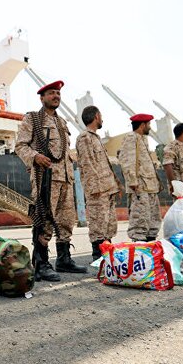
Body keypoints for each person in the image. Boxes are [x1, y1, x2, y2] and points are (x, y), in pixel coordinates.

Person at [15, 80, 87, 282]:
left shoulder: (62, 123)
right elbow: (20, 146)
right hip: (46, 178)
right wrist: (35, 157)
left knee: (66, 220)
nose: (56, 96)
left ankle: (64, 259)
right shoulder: (33, 119)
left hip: (65, 178)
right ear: (42, 97)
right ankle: (40, 263)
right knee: (44, 218)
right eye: (52, 93)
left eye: (58, 93)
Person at [75, 105, 122, 260]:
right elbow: (87, 164)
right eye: (101, 116)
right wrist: (97, 190)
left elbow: (105, 165)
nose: (102, 119)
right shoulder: (85, 138)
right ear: (96, 116)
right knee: (98, 224)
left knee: (108, 225)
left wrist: (115, 185)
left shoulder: (96, 138)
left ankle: (108, 256)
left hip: (107, 189)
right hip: (98, 190)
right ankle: (99, 257)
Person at [117, 114, 162, 242]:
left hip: (150, 186)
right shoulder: (131, 138)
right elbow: (126, 159)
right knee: (140, 218)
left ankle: (151, 243)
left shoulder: (142, 139)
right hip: (140, 186)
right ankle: (139, 247)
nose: (150, 127)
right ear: (142, 125)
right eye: (148, 124)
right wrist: (132, 181)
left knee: (153, 218)